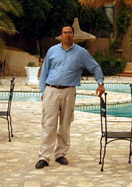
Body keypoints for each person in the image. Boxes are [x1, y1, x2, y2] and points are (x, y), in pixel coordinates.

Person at [35, 25, 105, 169]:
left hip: (69, 91)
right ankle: (44, 157)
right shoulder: (52, 51)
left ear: (73, 35)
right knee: (48, 124)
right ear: (61, 35)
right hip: (51, 90)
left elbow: (95, 67)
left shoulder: (81, 53)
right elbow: (45, 71)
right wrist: (43, 91)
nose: (67, 35)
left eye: (70, 33)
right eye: (65, 33)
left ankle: (60, 154)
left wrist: (100, 83)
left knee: (65, 124)